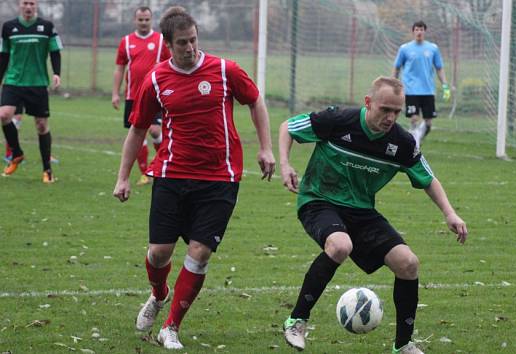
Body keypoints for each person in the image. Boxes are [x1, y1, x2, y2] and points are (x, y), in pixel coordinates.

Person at [112, 6, 275, 350]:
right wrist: (123, 177)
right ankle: (158, 295)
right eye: (182, 43)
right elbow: (138, 130)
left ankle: (170, 326)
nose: (190, 48)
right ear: (168, 44)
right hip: (172, 174)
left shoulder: (225, 70)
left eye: (194, 40)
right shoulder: (156, 79)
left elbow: (256, 102)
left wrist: (266, 148)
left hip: (219, 176)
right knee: (159, 253)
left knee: (199, 253)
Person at [279, 76, 467, 354]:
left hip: (361, 211)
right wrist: (285, 164)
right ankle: (296, 320)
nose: (390, 117)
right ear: (369, 103)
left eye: (396, 112)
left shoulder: (402, 142)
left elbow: (427, 178)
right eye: (385, 110)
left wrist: (450, 213)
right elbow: (289, 127)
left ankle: (403, 345)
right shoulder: (339, 120)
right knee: (340, 245)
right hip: (319, 200)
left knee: (408, 264)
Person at [0, 0, 62, 183]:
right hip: (13, 81)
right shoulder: (8, 27)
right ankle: (17, 153)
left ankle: (47, 170)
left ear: (36, 6)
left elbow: (55, 51)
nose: (28, 7)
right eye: (25, 3)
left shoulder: (47, 26)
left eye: (32, 3)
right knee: (4, 115)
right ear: (20, 5)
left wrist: (57, 73)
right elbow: (3, 55)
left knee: (41, 126)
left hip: (37, 82)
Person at [112, 6, 170, 186]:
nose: (144, 23)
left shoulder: (160, 40)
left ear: (151, 20)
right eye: (140, 19)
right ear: (135, 20)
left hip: (155, 96)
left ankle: (162, 167)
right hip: (133, 96)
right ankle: (145, 172)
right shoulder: (126, 41)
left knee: (154, 131)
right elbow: (120, 68)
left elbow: (170, 64)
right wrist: (115, 93)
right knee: (137, 133)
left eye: (147, 19)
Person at [393, 20, 450, 146]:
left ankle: (417, 138)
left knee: (428, 123)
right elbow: (397, 67)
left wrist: (445, 85)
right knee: (414, 118)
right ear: (413, 32)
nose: (419, 32)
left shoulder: (433, 48)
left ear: (425, 31)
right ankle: (414, 144)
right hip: (411, 89)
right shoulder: (405, 48)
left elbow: (439, 68)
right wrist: (393, 84)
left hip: (428, 90)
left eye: (421, 29)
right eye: (417, 29)